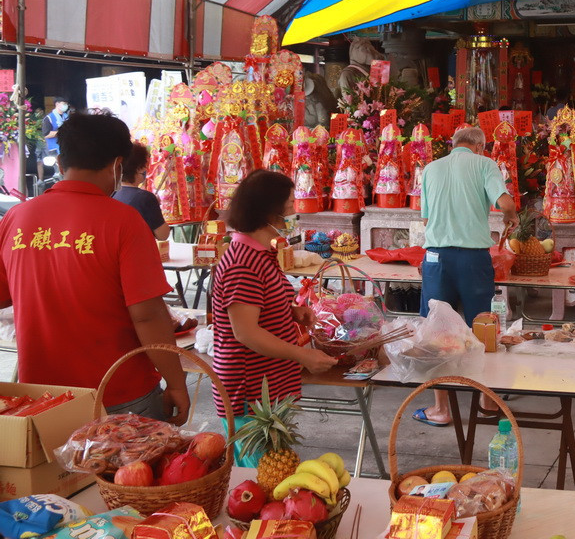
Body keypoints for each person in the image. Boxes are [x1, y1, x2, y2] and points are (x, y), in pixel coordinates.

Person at [0, 112, 189, 423]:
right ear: (118, 166)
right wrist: (177, 383)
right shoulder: (125, 222)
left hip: (41, 397)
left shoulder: (16, 218)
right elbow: (148, 314)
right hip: (118, 395)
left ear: (60, 164)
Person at [211, 170, 336, 462]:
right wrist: (302, 355)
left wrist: (290, 311)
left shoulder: (259, 253)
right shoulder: (242, 260)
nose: (295, 212)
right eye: (290, 205)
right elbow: (245, 332)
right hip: (249, 391)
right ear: (268, 211)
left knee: (272, 471)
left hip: (267, 386)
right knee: (257, 481)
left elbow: (255, 305)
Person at [413, 126, 517, 427]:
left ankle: (441, 409)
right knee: (481, 328)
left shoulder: (431, 169)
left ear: (454, 145)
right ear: (481, 147)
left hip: (436, 258)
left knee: (436, 332)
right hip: (473, 259)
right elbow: (505, 203)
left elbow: (425, 216)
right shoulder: (485, 165)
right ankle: (486, 403)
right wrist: (511, 216)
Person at [114, 143, 170, 241]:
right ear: (139, 168)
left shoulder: (113, 194)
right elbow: (163, 235)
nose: (147, 169)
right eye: (145, 165)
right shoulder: (146, 198)